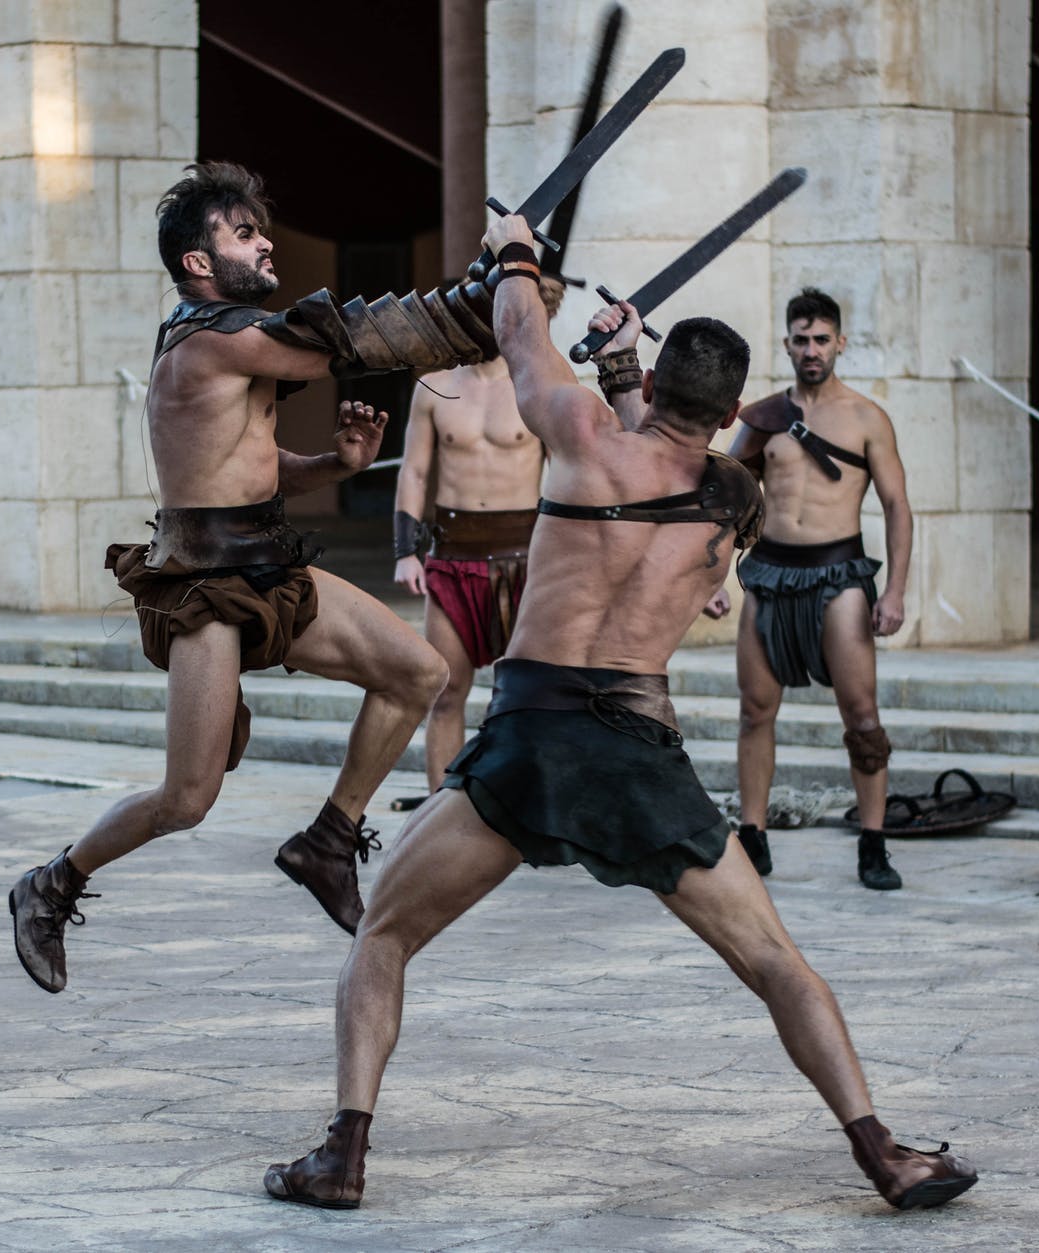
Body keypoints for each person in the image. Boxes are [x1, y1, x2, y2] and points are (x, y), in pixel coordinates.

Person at [260, 218, 977, 1214]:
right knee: (774, 960)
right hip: (639, 752)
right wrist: (628, 363)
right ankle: (882, 1153)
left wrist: (514, 254)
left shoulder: (579, 436)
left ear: (658, 383)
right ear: (730, 406)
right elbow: (670, 454)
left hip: (529, 742)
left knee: (379, 936)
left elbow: (518, 338)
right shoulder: (733, 494)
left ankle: (342, 1152)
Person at [9, 162, 501, 993]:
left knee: (419, 671)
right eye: (243, 232)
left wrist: (335, 463)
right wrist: (486, 296)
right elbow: (352, 343)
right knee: (186, 798)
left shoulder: (235, 341)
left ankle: (330, 840)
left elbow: (248, 468)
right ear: (200, 263)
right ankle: (51, 882)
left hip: (269, 562)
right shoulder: (212, 337)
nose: (265, 240)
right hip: (206, 585)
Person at [704, 288, 914, 891]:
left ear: (840, 343)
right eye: (801, 339)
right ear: (788, 343)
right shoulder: (764, 416)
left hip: (839, 575)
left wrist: (894, 591)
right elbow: (722, 496)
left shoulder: (867, 418)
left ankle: (873, 843)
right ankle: (753, 835)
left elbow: (897, 506)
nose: (811, 349)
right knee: (755, 711)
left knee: (863, 715)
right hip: (769, 572)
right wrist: (711, 578)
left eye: (822, 339)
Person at [391, 278, 566, 793]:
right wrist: (406, 552)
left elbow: (566, 473)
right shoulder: (434, 386)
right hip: (451, 554)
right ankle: (439, 808)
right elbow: (414, 473)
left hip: (523, 558)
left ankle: (518, 805)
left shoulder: (543, 384)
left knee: (520, 695)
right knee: (446, 690)